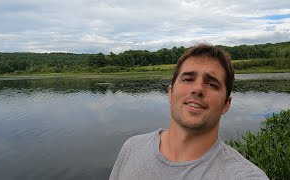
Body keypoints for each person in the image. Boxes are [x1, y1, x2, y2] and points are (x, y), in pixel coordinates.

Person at [109, 44, 269, 180]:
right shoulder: (132, 148)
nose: (198, 88)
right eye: (187, 79)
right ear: (170, 93)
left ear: (226, 104)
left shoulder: (245, 176)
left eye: (212, 84)